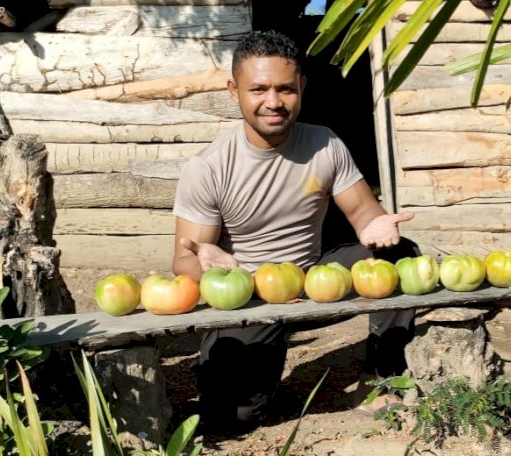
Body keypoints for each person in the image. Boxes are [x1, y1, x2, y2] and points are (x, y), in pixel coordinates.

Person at [172, 30, 419, 432]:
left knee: (400, 253)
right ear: (234, 90)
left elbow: (363, 212)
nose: (273, 101)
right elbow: (182, 260)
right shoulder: (208, 167)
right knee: (233, 418)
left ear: (302, 86)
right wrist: (210, 266)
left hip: (315, 281)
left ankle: (381, 379)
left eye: (285, 89)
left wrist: (375, 224)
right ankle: (259, 371)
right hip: (251, 298)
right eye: (258, 89)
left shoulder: (324, 144)